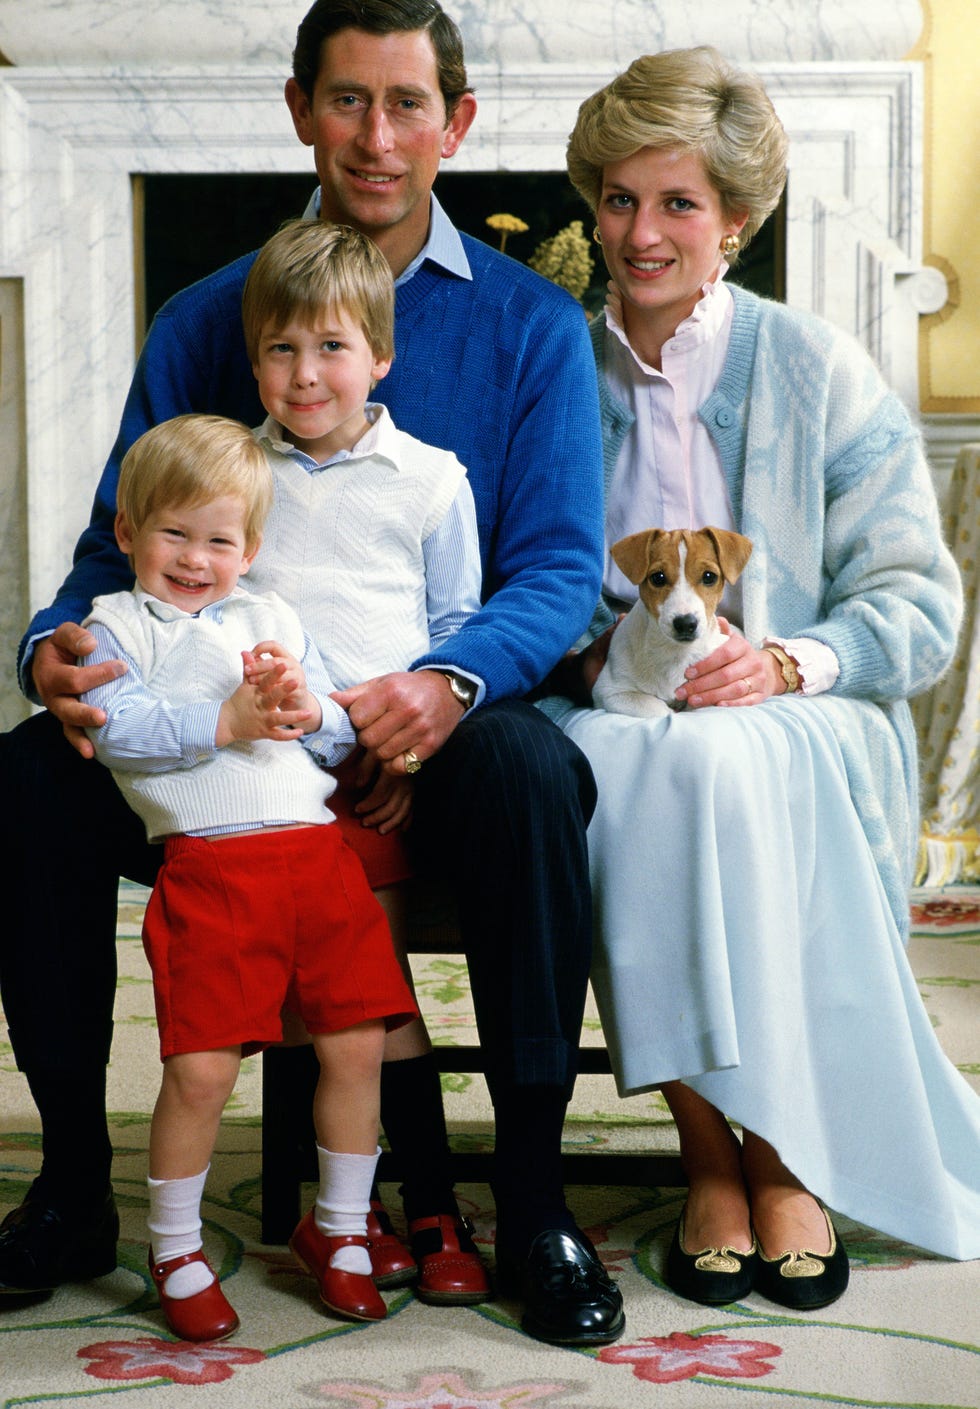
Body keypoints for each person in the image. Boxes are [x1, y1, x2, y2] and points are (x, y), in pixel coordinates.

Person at [0, 0, 624, 1348]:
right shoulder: (216, 314)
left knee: (531, 772)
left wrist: (446, 689)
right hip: (233, 735)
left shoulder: (529, 326)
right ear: (300, 110)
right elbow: (125, 530)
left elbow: (559, 570)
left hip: (438, 723)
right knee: (27, 775)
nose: (378, 138)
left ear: (457, 123)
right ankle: (70, 1184)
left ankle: (531, 1194)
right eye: (348, 101)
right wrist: (51, 646)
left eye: (409, 105)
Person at [539, 45, 980, 1312]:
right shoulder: (554, 368)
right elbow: (522, 577)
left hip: (805, 717)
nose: (641, 231)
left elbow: (916, 604)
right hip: (619, 712)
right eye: (619, 198)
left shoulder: (817, 368)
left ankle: (778, 1148)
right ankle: (709, 1150)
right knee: (648, 758)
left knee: (718, 757)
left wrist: (783, 656)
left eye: (677, 202)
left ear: (735, 219)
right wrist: (602, 654)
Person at [82, 413, 419, 1339]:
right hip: (211, 868)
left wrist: (307, 706)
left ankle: (341, 1228)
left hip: (315, 857)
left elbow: (339, 733)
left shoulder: (272, 618)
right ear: (128, 533)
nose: (196, 558)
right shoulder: (110, 627)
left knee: (354, 1046)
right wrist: (224, 723)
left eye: (219, 539)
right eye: (173, 534)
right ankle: (177, 1244)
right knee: (200, 1068)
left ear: (251, 548)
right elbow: (121, 734)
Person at [244, 214, 488, 1305]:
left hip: (378, 780)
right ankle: (345, 1211)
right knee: (312, 1005)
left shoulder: (429, 479)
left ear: (379, 355)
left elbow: (457, 624)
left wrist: (411, 745)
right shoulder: (234, 470)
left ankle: (428, 1199)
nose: (306, 374)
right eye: (282, 348)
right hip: (265, 780)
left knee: (370, 1000)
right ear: (255, 357)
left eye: (332, 346)